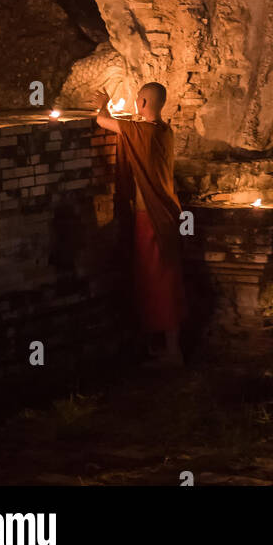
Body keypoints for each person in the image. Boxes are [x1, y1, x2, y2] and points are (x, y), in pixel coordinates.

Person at [96, 82, 186, 367]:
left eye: (138, 99)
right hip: (167, 214)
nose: (136, 103)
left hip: (150, 216)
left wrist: (103, 104)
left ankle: (173, 353)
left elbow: (102, 122)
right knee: (164, 277)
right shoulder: (164, 130)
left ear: (143, 102)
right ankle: (166, 347)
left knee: (158, 280)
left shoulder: (142, 131)